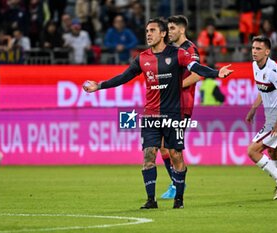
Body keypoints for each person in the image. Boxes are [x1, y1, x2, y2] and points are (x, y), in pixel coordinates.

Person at [83, 18, 233, 209]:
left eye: (152, 30)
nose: (148, 34)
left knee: (176, 155)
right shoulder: (142, 58)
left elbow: (195, 68)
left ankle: (179, 199)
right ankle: (151, 200)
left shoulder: (179, 54)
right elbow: (123, 77)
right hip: (151, 114)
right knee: (149, 154)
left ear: (163, 34)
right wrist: (99, 85)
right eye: (147, 31)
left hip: (174, 115)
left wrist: (216, 72)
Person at [158, 15, 203, 199]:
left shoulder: (190, 49)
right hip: (171, 105)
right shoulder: (174, 51)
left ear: (182, 30)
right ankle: (175, 183)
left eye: (172, 28)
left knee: (174, 150)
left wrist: (174, 86)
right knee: (162, 147)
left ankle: (178, 185)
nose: (169, 32)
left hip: (182, 105)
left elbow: (197, 75)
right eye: (168, 29)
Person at [246, 35, 277, 200]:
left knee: (252, 151)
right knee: (274, 152)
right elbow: (262, 89)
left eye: (258, 49)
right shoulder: (255, 65)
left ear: (267, 51)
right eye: (253, 48)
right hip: (275, 116)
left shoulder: (273, 70)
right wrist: (253, 109)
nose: (254, 52)